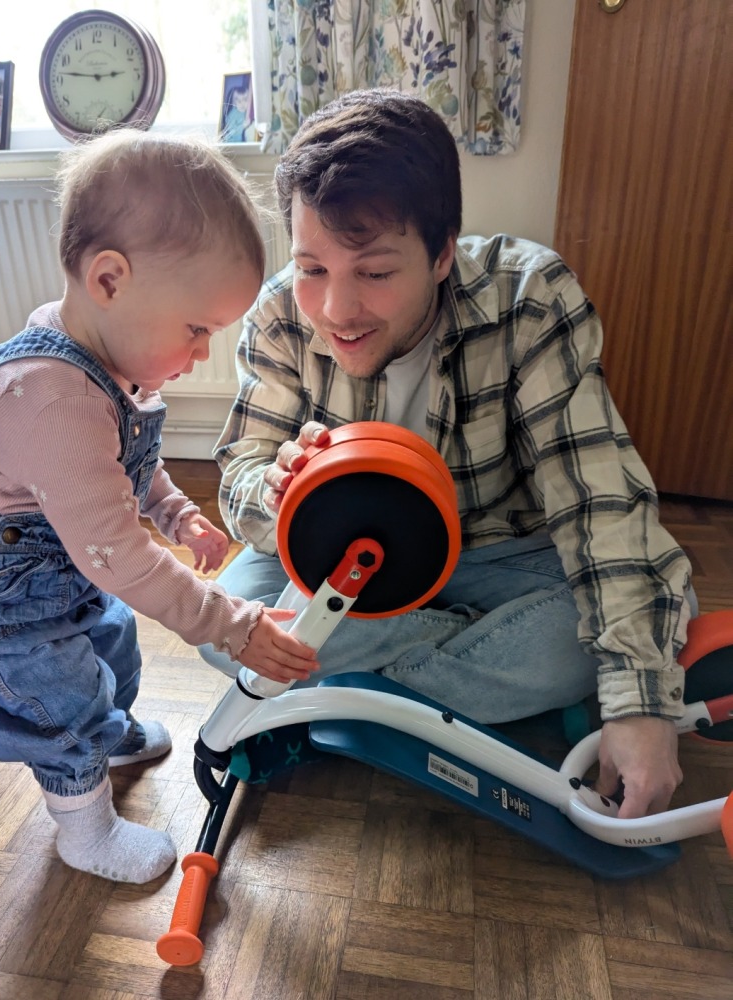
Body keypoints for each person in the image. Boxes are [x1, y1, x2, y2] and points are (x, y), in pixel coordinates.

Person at [201, 88, 697, 823]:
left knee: (614, 629)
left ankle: (343, 689)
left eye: (372, 272)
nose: (336, 309)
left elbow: (599, 504)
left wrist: (640, 706)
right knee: (225, 630)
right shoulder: (280, 314)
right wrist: (270, 490)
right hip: (343, 554)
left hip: (493, 548)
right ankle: (435, 673)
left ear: (441, 253)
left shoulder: (529, 297)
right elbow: (241, 465)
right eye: (313, 268)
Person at [0, 129, 318, 886]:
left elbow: (128, 468)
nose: (201, 354)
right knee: (54, 697)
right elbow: (121, 556)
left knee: (112, 636)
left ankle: (114, 731)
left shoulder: (108, 360)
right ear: (109, 280)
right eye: (197, 330)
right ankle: (84, 830)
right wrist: (235, 624)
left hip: (58, 566)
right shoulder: (49, 396)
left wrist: (172, 511)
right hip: (0, 608)